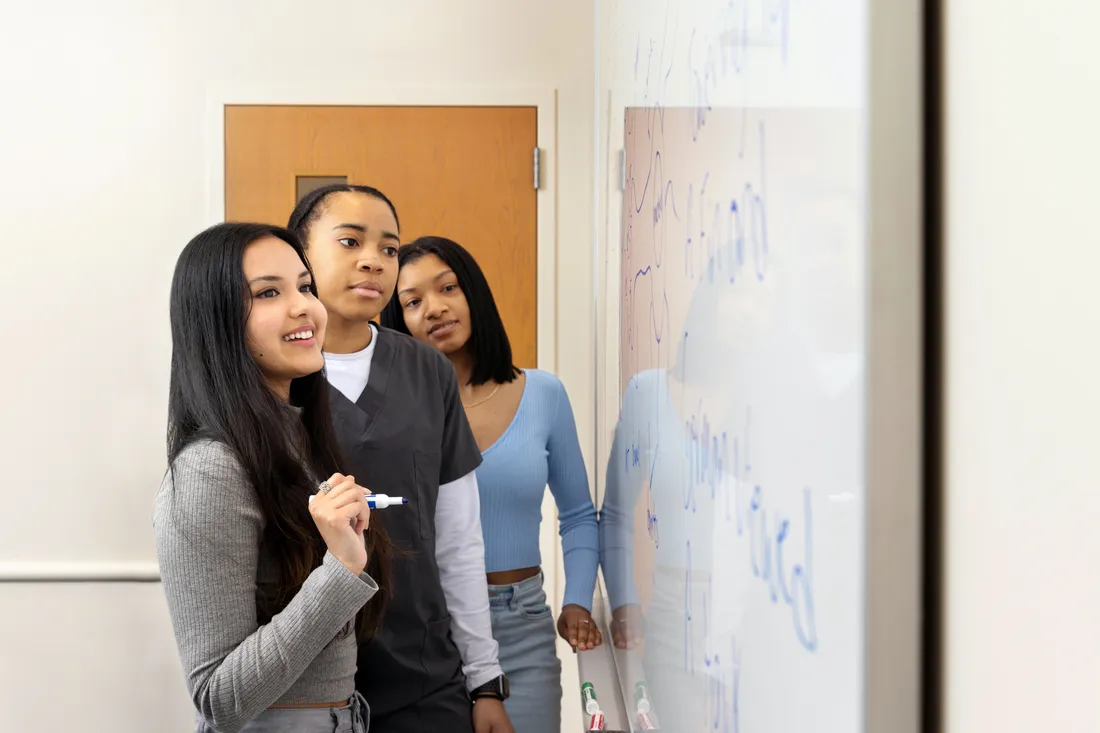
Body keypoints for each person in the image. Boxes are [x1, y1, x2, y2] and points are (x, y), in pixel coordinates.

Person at [287, 186, 514, 733]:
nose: (374, 259)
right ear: (300, 253)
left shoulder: (427, 371)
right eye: (349, 241)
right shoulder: (275, 375)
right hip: (304, 683)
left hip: (423, 675)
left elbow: (459, 539)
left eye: (389, 248)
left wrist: (484, 680)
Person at [154, 222, 391, 733]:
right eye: (268, 293)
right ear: (216, 322)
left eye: (305, 287)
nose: (305, 306)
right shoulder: (210, 470)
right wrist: (341, 569)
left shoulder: (298, 442)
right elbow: (219, 698)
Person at [380, 235, 602, 733]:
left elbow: (580, 515)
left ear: (473, 293)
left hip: (520, 623)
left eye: (448, 288)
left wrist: (577, 602)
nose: (434, 309)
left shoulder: (543, 393)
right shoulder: (393, 413)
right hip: (422, 627)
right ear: (398, 322)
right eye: (412, 302)